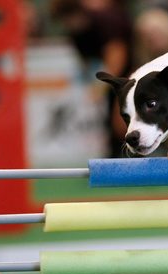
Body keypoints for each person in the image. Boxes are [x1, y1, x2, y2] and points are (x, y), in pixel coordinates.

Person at [50, 0, 133, 157]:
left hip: (134, 67)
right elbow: (87, 62)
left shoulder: (106, 20)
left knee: (121, 120)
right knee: (110, 121)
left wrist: (99, 87)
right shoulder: (76, 34)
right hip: (113, 76)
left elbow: (117, 55)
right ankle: (115, 159)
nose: (67, 25)